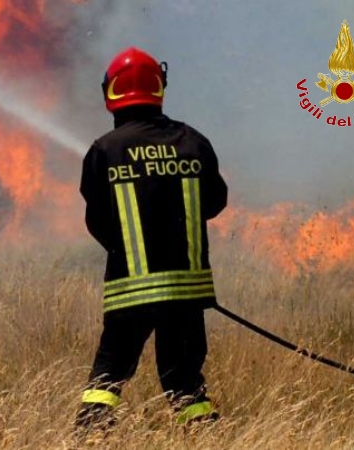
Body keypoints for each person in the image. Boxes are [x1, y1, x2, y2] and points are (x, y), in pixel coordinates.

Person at [75, 47, 228, 431]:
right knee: (183, 380)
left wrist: (127, 246)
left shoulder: (105, 151)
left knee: (109, 375)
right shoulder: (194, 142)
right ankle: (205, 434)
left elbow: (96, 219)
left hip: (131, 291)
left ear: (111, 91)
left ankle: (91, 435)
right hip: (186, 292)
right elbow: (214, 203)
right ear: (158, 87)